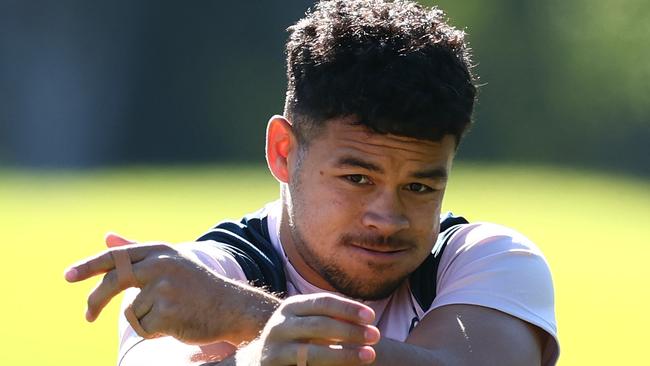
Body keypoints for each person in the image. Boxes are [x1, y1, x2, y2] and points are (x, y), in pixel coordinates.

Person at [65, 1, 559, 365]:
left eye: (420, 187)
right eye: (357, 178)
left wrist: (244, 314)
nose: (386, 218)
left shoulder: (491, 260)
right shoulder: (192, 274)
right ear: (283, 152)